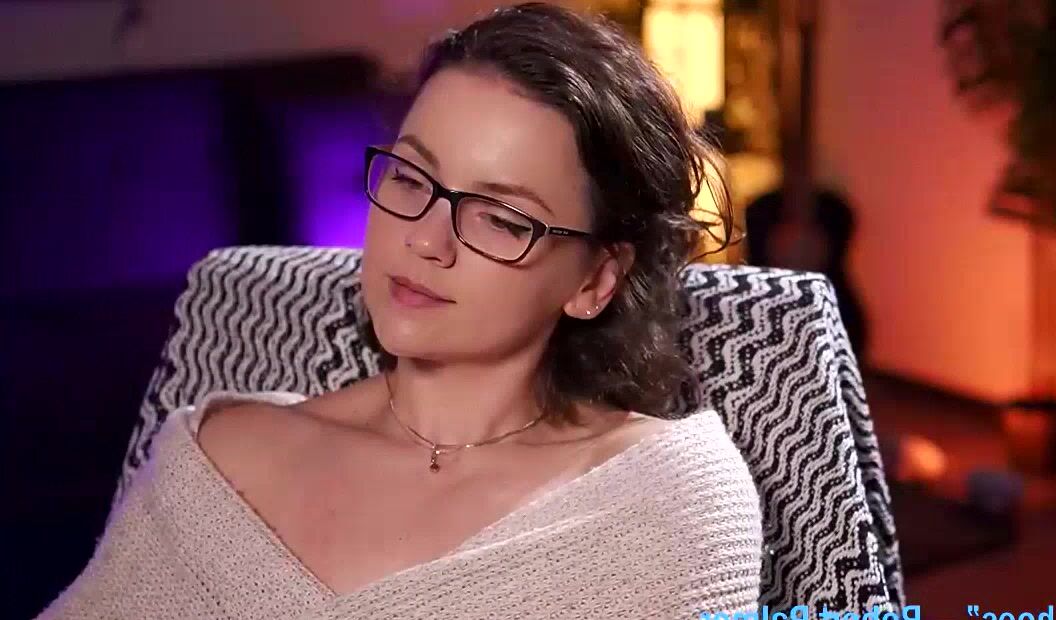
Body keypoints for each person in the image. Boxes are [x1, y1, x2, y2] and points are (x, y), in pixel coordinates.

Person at [36, 4, 763, 618]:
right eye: (412, 178)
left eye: (500, 218)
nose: (425, 239)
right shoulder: (216, 457)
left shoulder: (665, 499)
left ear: (597, 279)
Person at [744, 185, 869, 360]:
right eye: (787, 246)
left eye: (806, 248)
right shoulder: (750, 321)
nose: (796, 253)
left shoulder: (843, 322)